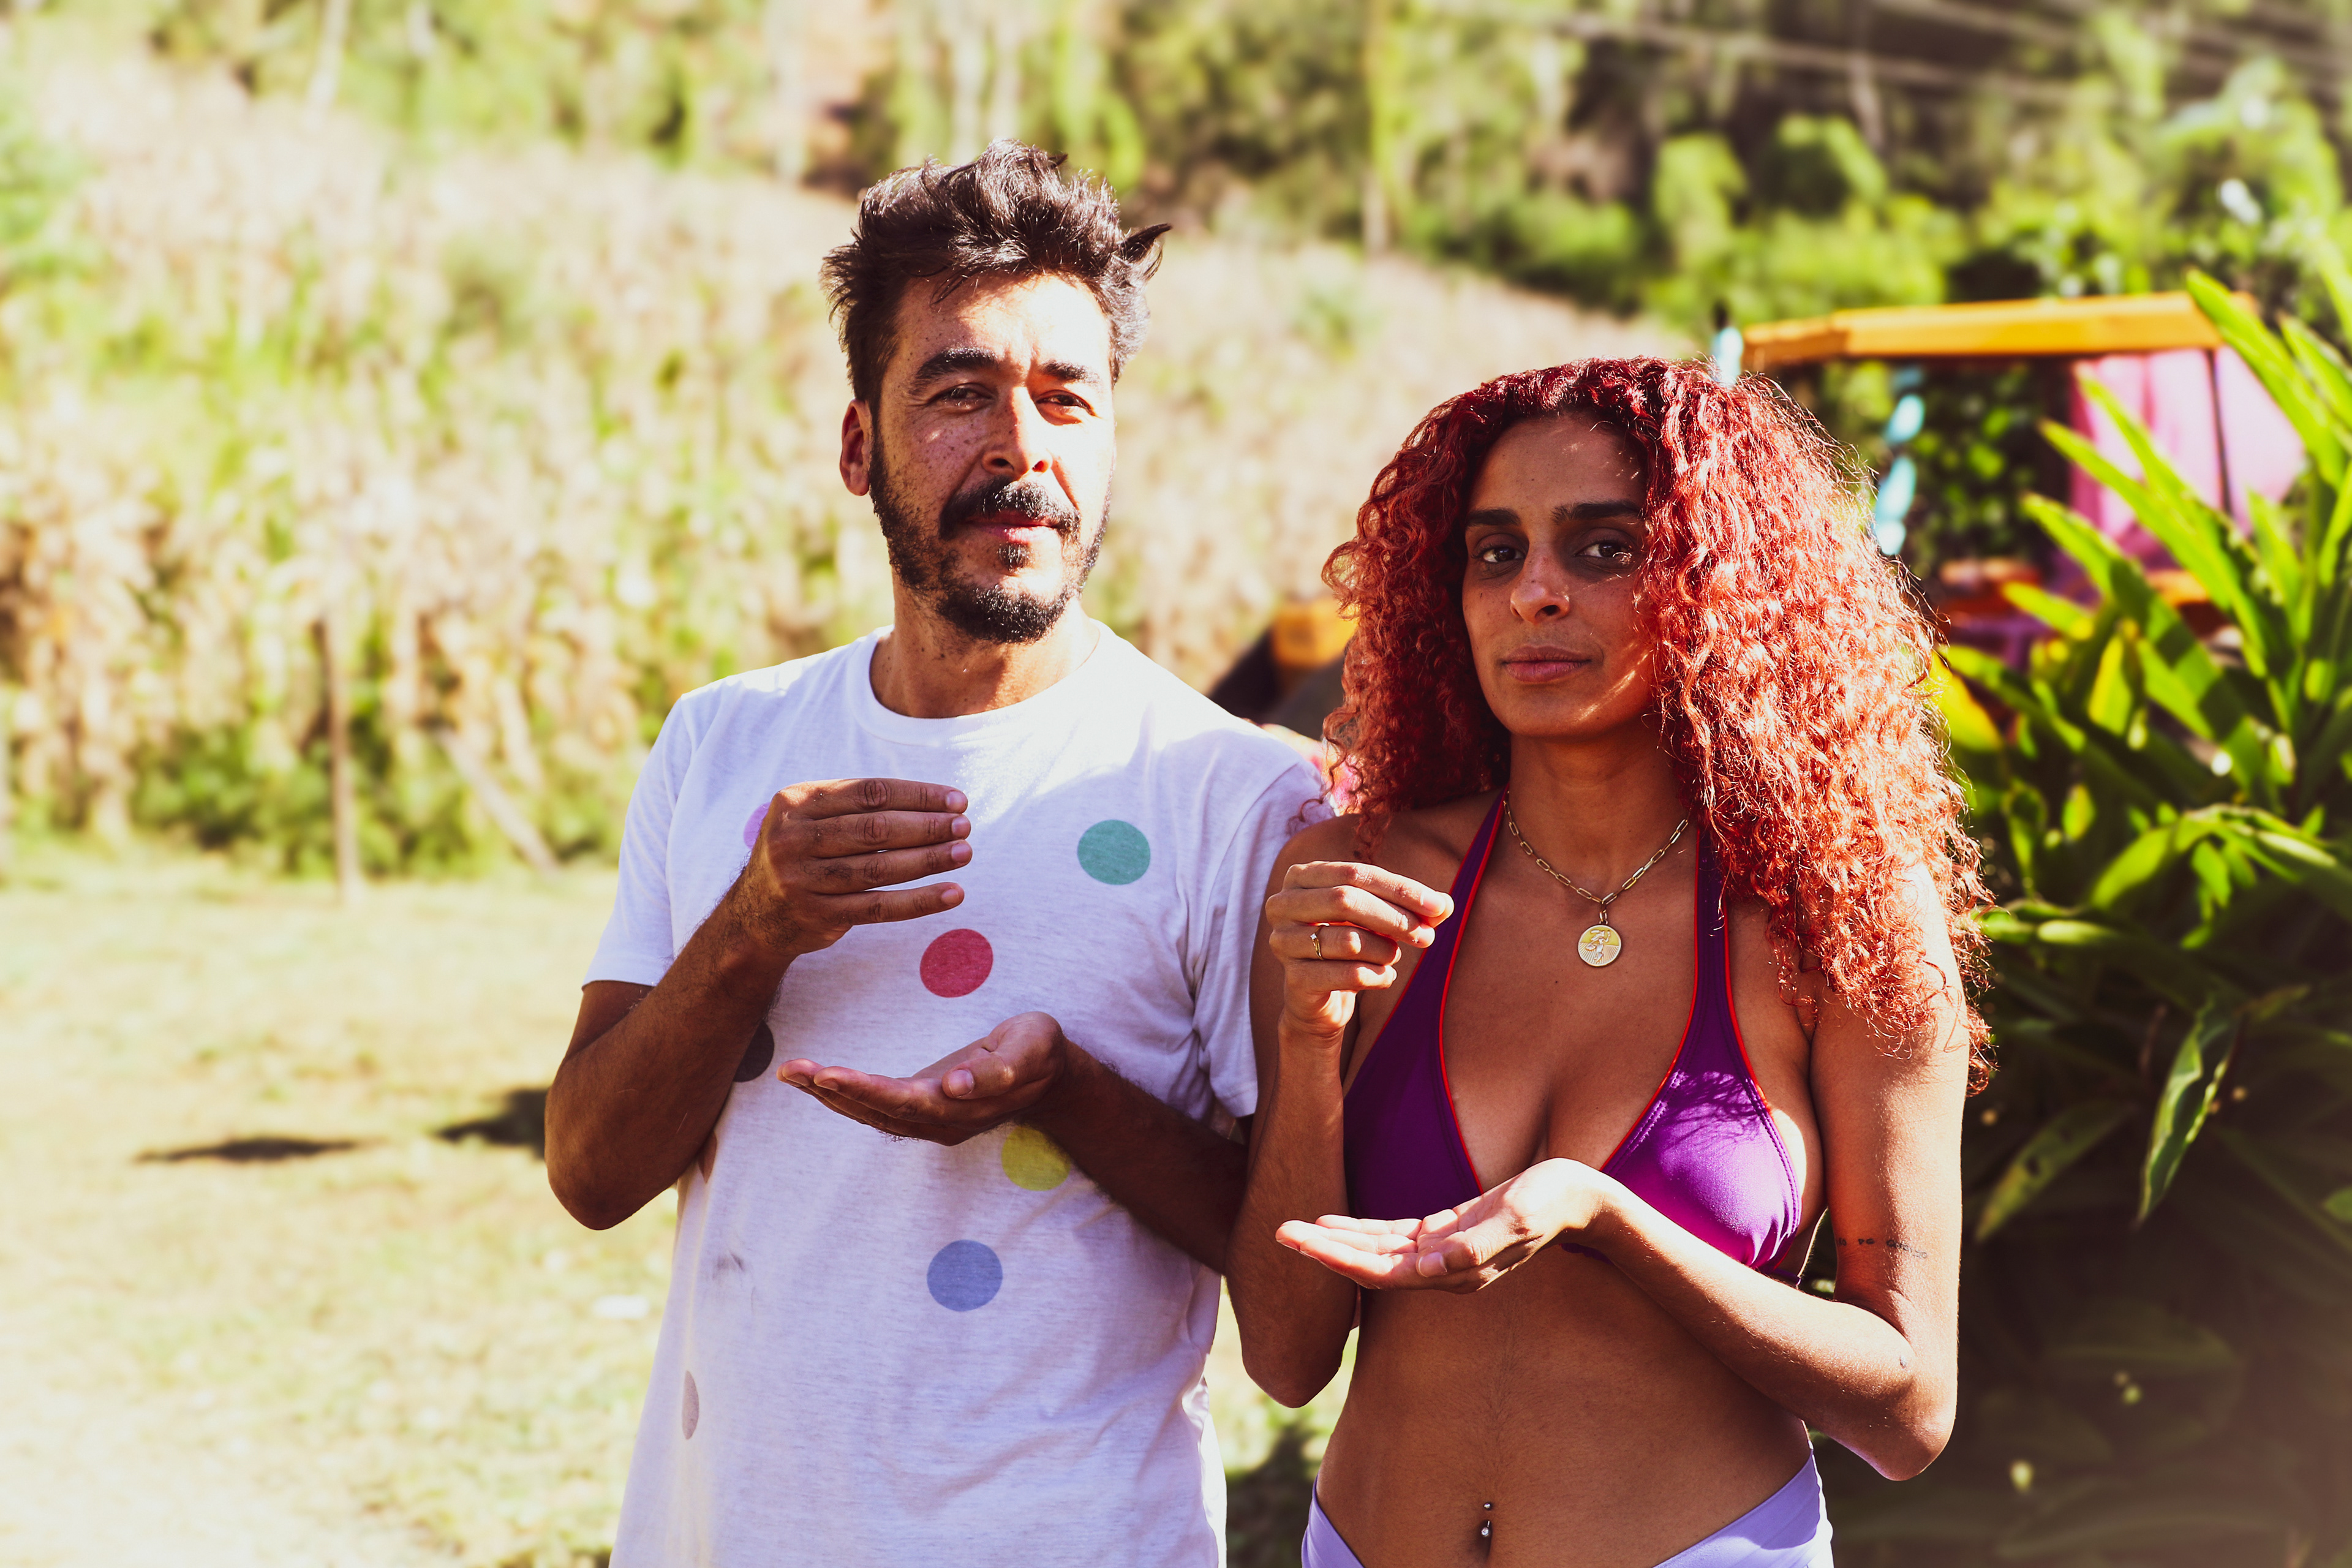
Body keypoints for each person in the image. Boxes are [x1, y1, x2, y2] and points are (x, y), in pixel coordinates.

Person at [545, 142, 1324, 1567]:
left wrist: (1065, 1091)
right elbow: (591, 1170)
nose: (1022, 446)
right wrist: (751, 928)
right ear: (859, 448)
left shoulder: (1236, 794)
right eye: (961, 392)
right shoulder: (722, 742)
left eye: (1066, 398)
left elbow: (1289, 1301)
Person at [1228, 359, 1986, 1567]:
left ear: (1722, 583)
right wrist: (1310, 1039)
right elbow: (1284, 1357)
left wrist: (1608, 1217)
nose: (1534, 592)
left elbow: (1910, 1407)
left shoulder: (1834, 918)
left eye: (1603, 549)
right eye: (1496, 552)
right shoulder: (1357, 883)